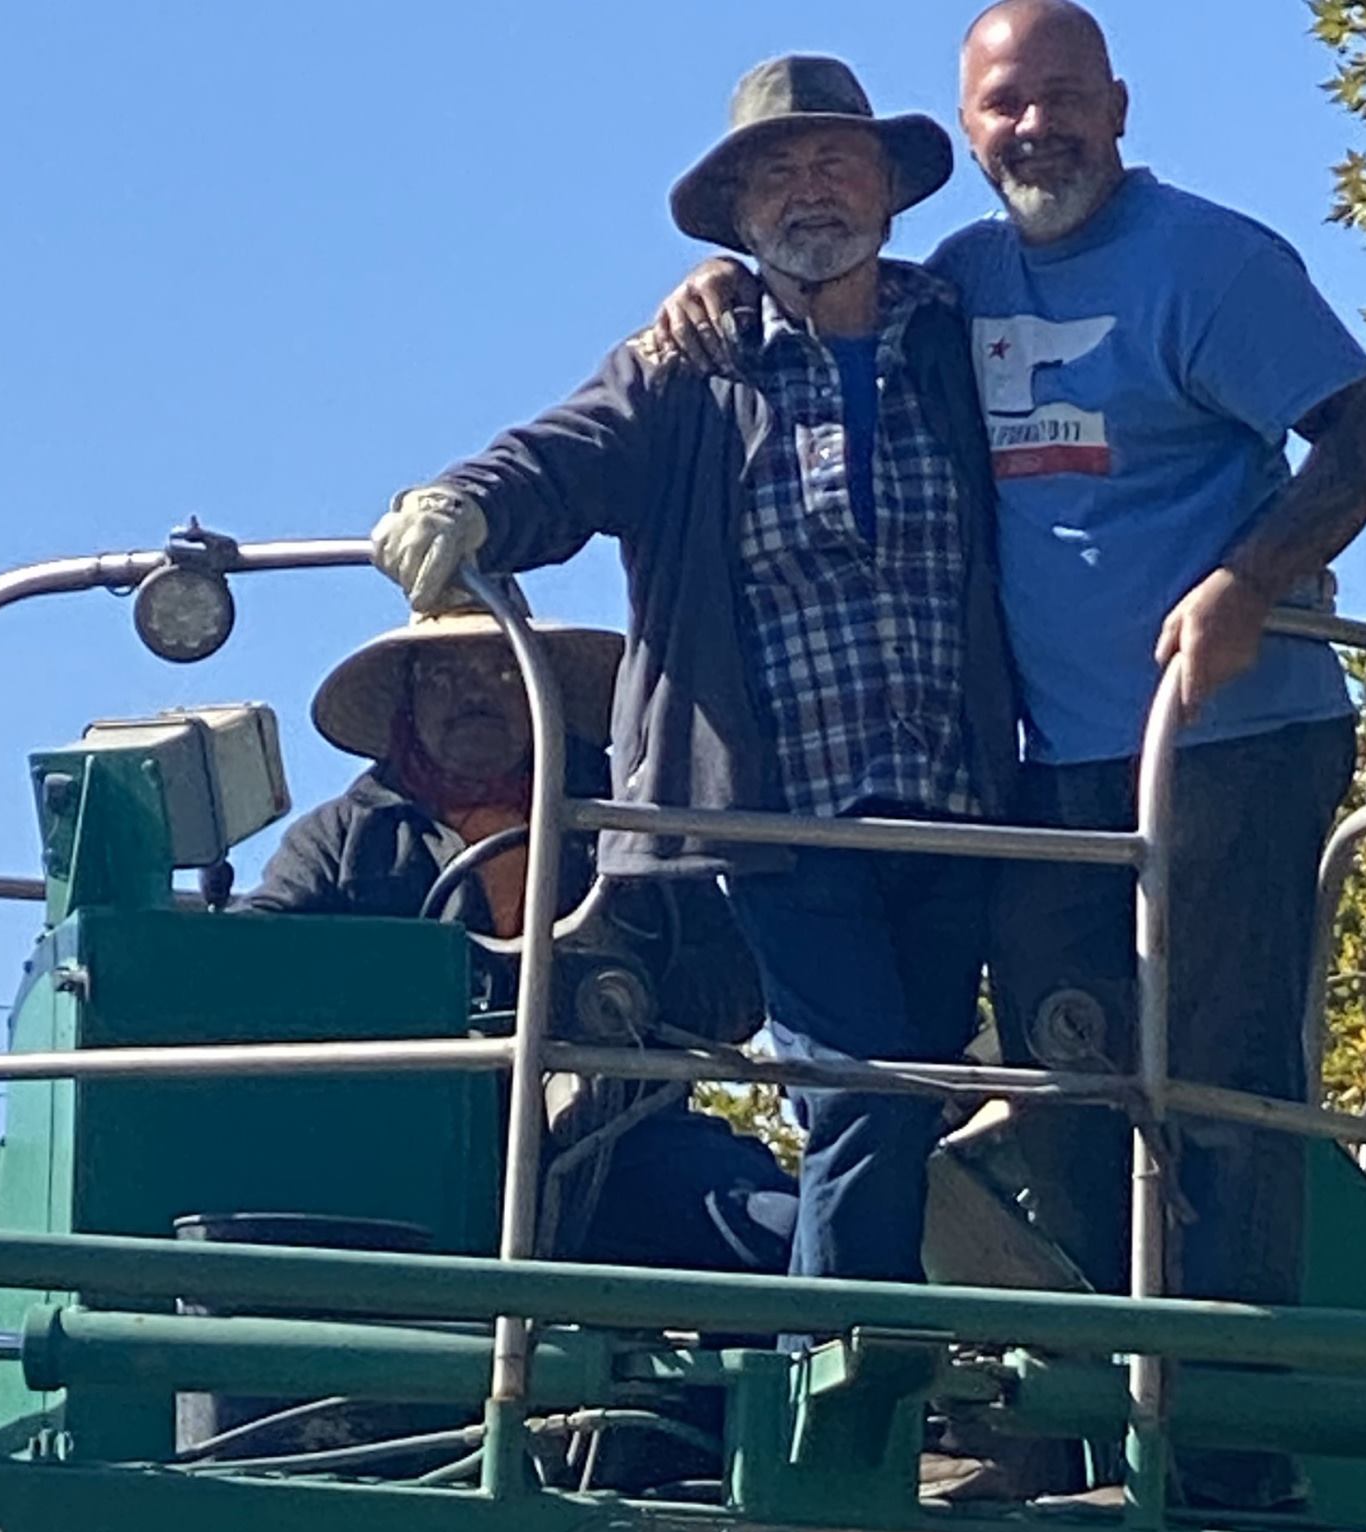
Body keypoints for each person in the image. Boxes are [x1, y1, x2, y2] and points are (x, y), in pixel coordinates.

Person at [653, 2, 1366, 1504]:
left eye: (1063, 100)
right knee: (1065, 1081)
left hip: (1230, 744)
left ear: (1118, 106)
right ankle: (1079, 1424)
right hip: (1036, 771)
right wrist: (706, 296)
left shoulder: (1211, 259)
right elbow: (815, 308)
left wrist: (1248, 581)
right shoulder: (961, 284)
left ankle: (1227, 1458)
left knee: (1221, 1081)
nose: (1036, 130)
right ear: (973, 126)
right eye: (1007, 105)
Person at [365, 55, 1018, 1291]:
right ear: (737, 216)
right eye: (775, 173)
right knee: (861, 1095)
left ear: (888, 188)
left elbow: (1097, 432)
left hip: (957, 803)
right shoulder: (685, 364)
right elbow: (561, 456)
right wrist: (459, 505)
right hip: (774, 816)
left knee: (915, 1092)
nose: (808, 192)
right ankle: (841, 1387)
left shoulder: (960, 337)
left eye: (834, 161)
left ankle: (870, 1370)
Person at [242, 591, 797, 1275]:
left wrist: (622, 998)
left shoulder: (631, 822)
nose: (472, 693)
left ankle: (761, 1382)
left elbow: (736, 982)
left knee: (785, 1236)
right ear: (407, 700)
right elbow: (254, 965)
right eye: (443, 674)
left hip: (619, 1142)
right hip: (392, 1156)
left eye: (502, 670)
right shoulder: (341, 839)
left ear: (546, 691)